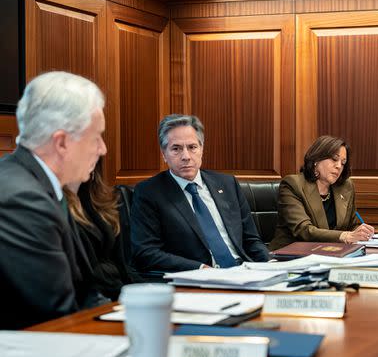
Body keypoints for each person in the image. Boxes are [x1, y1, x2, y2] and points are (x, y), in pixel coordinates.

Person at [0, 71, 108, 329]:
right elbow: (57, 316)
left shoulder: (41, 184)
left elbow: (86, 291)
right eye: (96, 137)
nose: (102, 148)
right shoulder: (22, 200)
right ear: (61, 142)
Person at [130, 114, 270, 273]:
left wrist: (271, 264)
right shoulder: (149, 193)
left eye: (192, 147)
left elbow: (251, 240)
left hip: (244, 273)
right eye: (176, 148)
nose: (186, 156)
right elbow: (146, 252)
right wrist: (200, 268)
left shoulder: (227, 184)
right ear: (164, 154)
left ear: (202, 149)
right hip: (197, 279)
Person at [269, 135, 375, 250]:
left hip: (332, 254)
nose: (339, 166)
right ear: (316, 160)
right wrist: (345, 236)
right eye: (334, 159)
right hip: (292, 255)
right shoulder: (293, 185)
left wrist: (361, 232)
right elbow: (304, 230)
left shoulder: (345, 187)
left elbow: (352, 224)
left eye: (343, 163)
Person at [64, 158, 140, 300]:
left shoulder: (99, 199)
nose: (102, 149)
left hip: (120, 294)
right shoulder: (56, 205)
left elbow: (122, 265)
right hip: (92, 299)